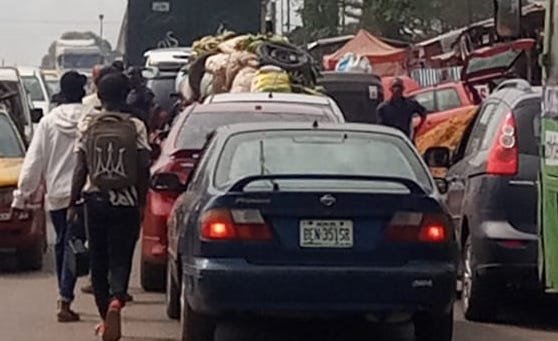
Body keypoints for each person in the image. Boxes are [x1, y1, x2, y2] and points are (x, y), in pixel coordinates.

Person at [70, 73, 150, 340]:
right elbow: (143, 165)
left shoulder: (88, 123)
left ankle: (106, 318)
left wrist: (72, 202)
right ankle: (118, 299)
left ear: (99, 95)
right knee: (121, 256)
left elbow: (80, 167)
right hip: (126, 203)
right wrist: (140, 202)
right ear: (125, 95)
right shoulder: (136, 125)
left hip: (95, 200)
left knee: (99, 260)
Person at [12, 71, 88, 323]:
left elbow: (34, 161)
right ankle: (82, 296)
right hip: (87, 195)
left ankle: (64, 295)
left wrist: (22, 195)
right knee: (84, 245)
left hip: (58, 196)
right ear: (84, 91)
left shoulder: (48, 122)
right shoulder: (92, 119)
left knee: (64, 244)